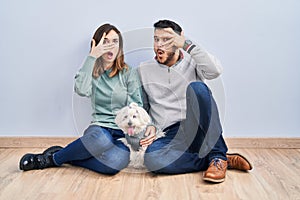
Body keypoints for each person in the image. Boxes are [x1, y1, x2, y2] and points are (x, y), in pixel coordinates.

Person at [19, 23, 143, 175]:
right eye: (106, 41)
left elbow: (137, 106)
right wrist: (92, 57)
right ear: (97, 45)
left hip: (123, 132)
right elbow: (81, 90)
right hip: (100, 128)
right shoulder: (91, 70)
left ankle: (68, 156)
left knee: (114, 163)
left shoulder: (128, 73)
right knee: (100, 140)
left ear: (120, 46)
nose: (111, 46)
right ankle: (50, 159)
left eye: (115, 41)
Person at [138, 19, 253, 183]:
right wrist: (149, 125)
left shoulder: (193, 62)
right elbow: (143, 106)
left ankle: (218, 155)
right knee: (153, 161)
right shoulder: (143, 69)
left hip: (197, 127)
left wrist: (187, 45)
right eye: (156, 39)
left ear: (179, 39)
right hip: (169, 133)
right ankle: (217, 159)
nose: (159, 45)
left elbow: (215, 71)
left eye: (166, 39)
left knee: (197, 88)